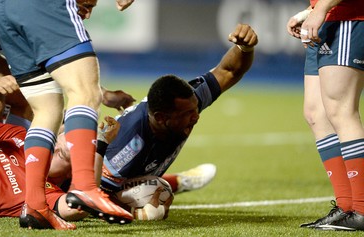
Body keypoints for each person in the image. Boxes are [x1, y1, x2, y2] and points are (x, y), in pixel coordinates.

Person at [0, 0, 136, 229]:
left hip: (6, 12)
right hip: (37, 7)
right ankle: (84, 185)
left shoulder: (17, 137)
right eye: (87, 3)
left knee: (43, 107)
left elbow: (60, 67)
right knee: (85, 94)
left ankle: (35, 205)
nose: (89, 11)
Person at [0, 73, 213, 222]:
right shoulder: (20, 137)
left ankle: (174, 183)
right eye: (67, 133)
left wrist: (101, 146)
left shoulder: (46, 194)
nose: (68, 141)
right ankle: (178, 181)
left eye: (80, 143)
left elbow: (79, 207)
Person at [95, 23, 257, 220]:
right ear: (161, 118)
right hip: (89, 178)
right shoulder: (129, 144)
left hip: (131, 175)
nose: (196, 116)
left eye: (195, 109)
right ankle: (179, 182)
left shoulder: (189, 102)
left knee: (154, 189)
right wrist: (138, 213)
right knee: (153, 193)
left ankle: (178, 181)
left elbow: (229, 71)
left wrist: (245, 48)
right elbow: (93, 195)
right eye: (188, 114)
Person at [287, 0, 364, 231]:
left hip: (349, 18)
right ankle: (346, 206)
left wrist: (320, 9)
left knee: (342, 110)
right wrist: (310, 11)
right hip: (330, 20)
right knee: (316, 113)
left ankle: (361, 208)